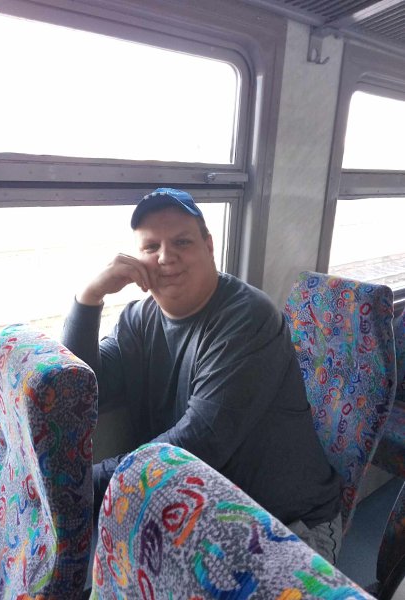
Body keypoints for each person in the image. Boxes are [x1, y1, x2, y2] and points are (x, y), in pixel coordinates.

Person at [61, 187, 343, 564]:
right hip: (202, 510)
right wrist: (89, 297)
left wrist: (75, 490)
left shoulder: (249, 319)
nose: (166, 257)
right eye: (151, 247)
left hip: (286, 525)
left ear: (209, 246)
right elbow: (80, 391)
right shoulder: (138, 320)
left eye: (182, 241)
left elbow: (201, 441)